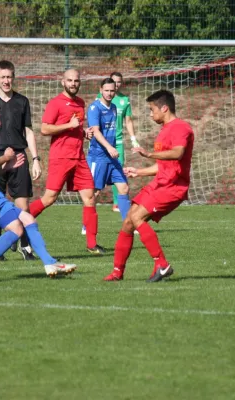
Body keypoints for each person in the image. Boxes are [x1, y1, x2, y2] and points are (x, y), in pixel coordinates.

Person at [0, 98, 76, 281]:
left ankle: (49, 262)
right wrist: (6, 157)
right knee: (16, 229)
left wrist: (5, 167)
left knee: (27, 219)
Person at [103, 89, 194, 283]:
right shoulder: (164, 131)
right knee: (128, 220)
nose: (150, 114)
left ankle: (162, 264)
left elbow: (178, 153)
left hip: (173, 187)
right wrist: (139, 171)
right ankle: (117, 272)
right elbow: (163, 166)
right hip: (160, 183)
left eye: (152, 109)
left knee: (136, 217)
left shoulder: (180, 128)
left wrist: (149, 154)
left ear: (164, 108)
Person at [28, 69, 106, 255]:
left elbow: (75, 127)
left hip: (79, 157)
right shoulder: (55, 103)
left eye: (76, 81)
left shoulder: (80, 103)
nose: (73, 83)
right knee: (49, 199)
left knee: (90, 198)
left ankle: (92, 244)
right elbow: (45, 129)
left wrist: (82, 132)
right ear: (63, 82)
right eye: (69, 80)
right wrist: (68, 126)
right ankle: (17, 222)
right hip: (60, 157)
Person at [0, 60, 40, 262]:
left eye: (9, 77)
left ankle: (25, 247)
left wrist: (36, 159)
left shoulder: (22, 101)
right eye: (3, 77)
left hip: (19, 157)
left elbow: (29, 131)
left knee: (23, 205)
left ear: (13, 77)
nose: (6, 81)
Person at [87, 78, 131, 221]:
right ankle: (87, 225)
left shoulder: (113, 108)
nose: (109, 93)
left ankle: (128, 224)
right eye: (106, 90)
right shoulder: (95, 108)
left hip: (111, 157)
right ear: (101, 90)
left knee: (124, 188)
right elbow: (96, 131)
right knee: (94, 192)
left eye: (112, 90)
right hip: (98, 156)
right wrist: (109, 147)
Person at [96, 72, 139, 213]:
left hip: (118, 143)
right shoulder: (99, 100)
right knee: (97, 178)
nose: (116, 84)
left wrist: (133, 140)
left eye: (119, 82)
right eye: (114, 82)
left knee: (119, 172)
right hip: (102, 144)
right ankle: (89, 208)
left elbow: (128, 121)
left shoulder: (124, 100)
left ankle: (117, 203)